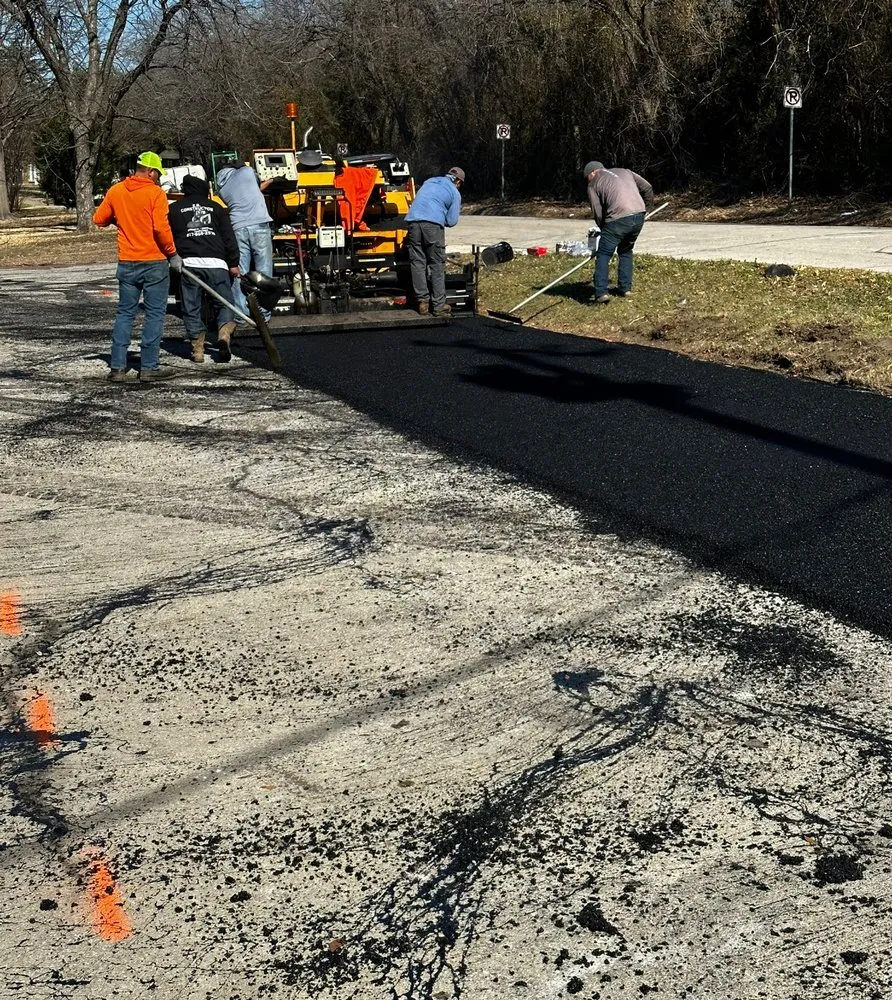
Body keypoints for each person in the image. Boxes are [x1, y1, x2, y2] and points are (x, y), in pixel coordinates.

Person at [92, 151, 183, 380]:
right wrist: (172, 254)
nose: (158, 178)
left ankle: (117, 367)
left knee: (125, 314)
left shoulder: (116, 191)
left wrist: (121, 218)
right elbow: (161, 229)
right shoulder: (155, 194)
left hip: (127, 261)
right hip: (154, 262)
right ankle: (149, 367)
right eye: (158, 173)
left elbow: (98, 219)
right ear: (150, 171)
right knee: (154, 315)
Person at [168, 174, 240, 363]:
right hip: (217, 264)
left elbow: (168, 237)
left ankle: (197, 349)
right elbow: (229, 238)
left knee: (191, 307)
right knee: (224, 303)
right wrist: (233, 263)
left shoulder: (174, 209)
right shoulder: (216, 208)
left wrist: (171, 258)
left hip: (189, 265)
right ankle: (224, 333)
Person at [583, 160, 653, 304]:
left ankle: (601, 292)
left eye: (586, 178)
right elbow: (647, 187)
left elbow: (597, 212)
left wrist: (604, 228)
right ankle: (625, 289)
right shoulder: (625, 171)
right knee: (626, 250)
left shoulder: (593, 183)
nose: (587, 181)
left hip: (617, 218)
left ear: (592, 172)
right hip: (638, 214)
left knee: (603, 254)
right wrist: (647, 209)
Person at [215, 158, 275, 321]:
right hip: (258, 224)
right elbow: (257, 184)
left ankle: (240, 314)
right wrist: (273, 180)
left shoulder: (221, 187)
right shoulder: (247, 172)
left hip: (237, 227)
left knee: (239, 272)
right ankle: (264, 314)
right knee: (264, 270)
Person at [405, 166, 464, 316]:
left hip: (412, 222)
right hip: (432, 226)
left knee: (417, 263)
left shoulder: (430, 181)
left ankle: (423, 303)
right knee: (436, 264)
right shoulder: (454, 192)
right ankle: (438, 306)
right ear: (458, 181)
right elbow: (451, 221)